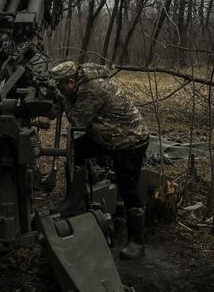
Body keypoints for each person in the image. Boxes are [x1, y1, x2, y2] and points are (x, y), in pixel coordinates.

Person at [48, 61, 150, 260]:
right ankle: (74, 201)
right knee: (78, 150)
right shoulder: (82, 80)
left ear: (71, 81)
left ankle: (137, 241)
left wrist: (64, 100)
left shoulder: (91, 89)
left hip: (129, 140)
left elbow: (77, 120)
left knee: (128, 189)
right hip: (109, 135)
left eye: (62, 88)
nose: (61, 91)